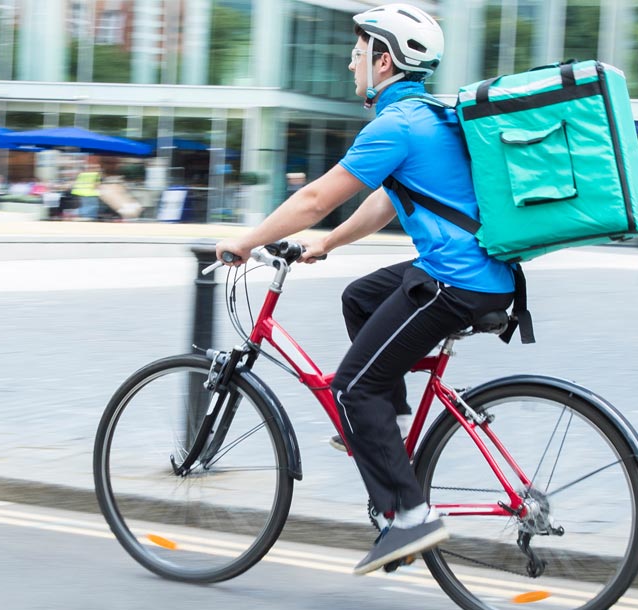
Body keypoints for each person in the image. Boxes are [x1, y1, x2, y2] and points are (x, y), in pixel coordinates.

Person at [214, 3, 516, 576]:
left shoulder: (396, 124)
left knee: (353, 386)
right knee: (360, 296)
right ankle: (391, 427)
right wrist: (327, 246)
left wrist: (246, 240)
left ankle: (409, 517)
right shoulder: (428, 115)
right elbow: (386, 201)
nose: (351, 63)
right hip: (480, 275)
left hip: (455, 283)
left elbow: (314, 200)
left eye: (357, 54)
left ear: (384, 60)